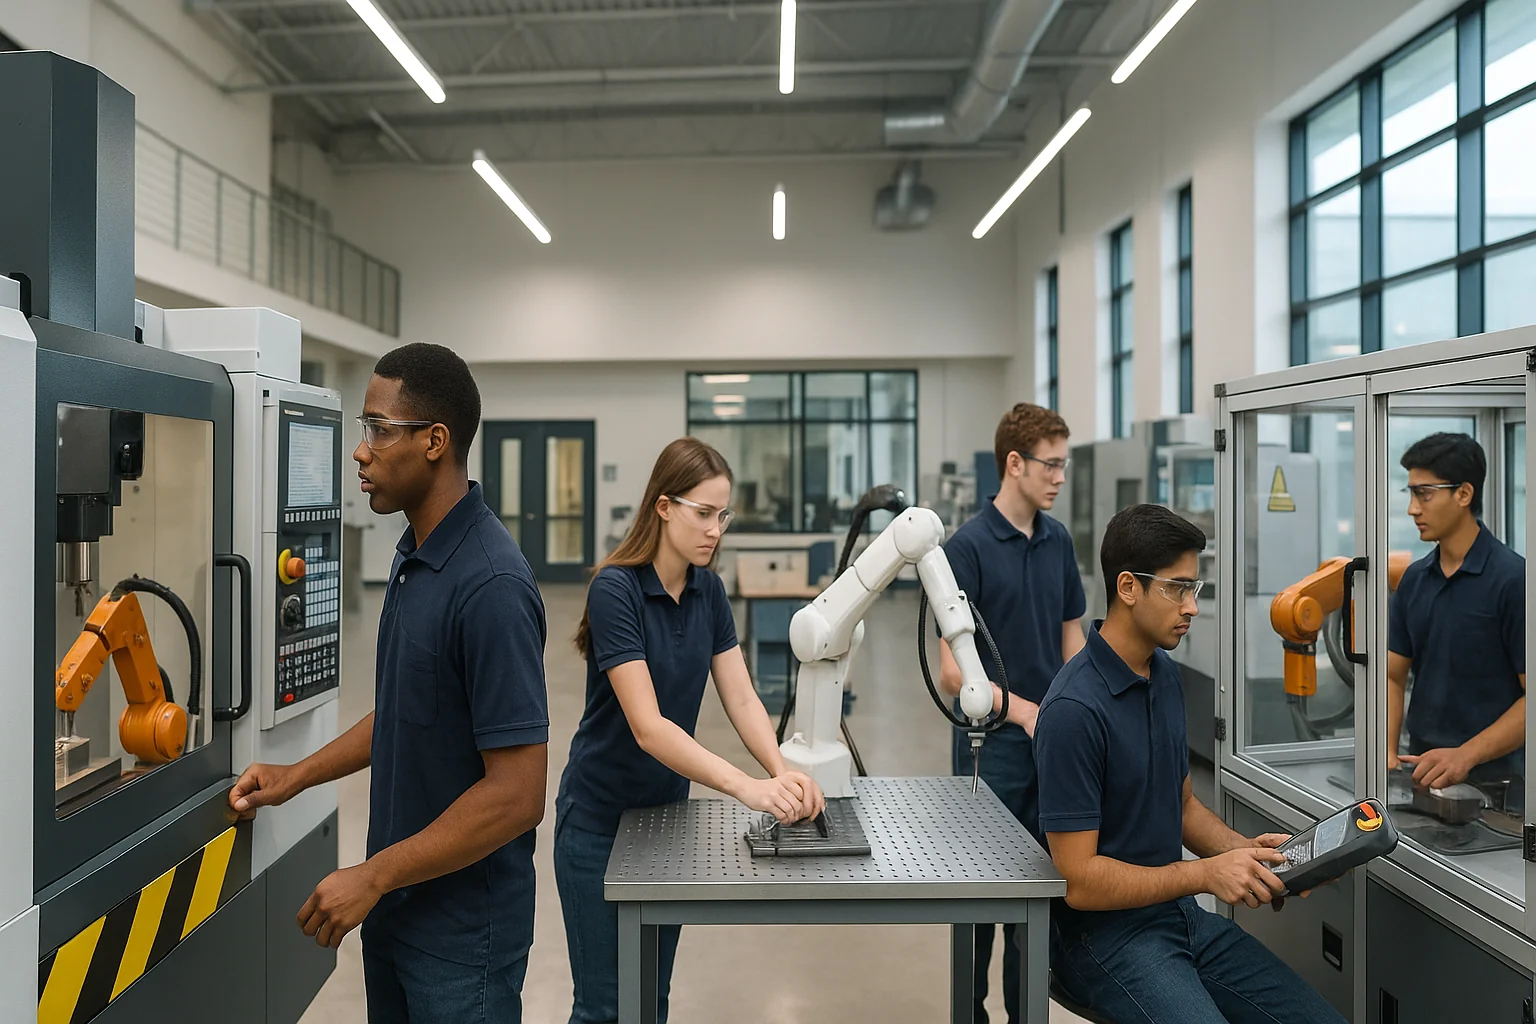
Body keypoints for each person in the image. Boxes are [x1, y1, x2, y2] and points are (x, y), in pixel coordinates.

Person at [229, 343, 550, 1024]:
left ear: (436, 442)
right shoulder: (415, 558)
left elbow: (517, 796)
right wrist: (296, 775)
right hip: (399, 911)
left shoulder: (492, 584)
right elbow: (408, 714)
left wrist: (370, 876)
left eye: (378, 429)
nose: (360, 452)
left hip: (463, 941)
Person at [1035, 504, 1346, 1024]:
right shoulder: (1074, 710)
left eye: (1193, 589)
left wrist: (1248, 854)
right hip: (1104, 938)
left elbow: (1179, 806)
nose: (1191, 607)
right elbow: (1080, 881)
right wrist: (1204, 874)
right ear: (1128, 587)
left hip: (1178, 917)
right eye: (1176, 588)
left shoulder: (1164, 675)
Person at [555, 437, 826, 1024]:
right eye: (703, 513)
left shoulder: (708, 590)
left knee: (650, 1003)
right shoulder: (615, 589)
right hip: (598, 826)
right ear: (664, 507)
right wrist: (746, 787)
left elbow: (741, 696)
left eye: (723, 515)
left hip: (663, 822)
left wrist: (784, 771)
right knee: (605, 1008)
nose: (715, 530)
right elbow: (649, 728)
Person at [936, 402, 1086, 1024]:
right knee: (979, 903)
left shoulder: (1058, 542)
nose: (1058, 477)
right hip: (990, 750)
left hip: (1047, 745)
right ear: (1014, 463)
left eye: (1064, 465)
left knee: (1040, 901)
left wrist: (1080, 711)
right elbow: (952, 671)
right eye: (1050, 465)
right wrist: (1022, 710)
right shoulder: (964, 548)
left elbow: (1071, 640)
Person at [1388, 432, 1525, 794]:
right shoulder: (1415, 579)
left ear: (1464, 494)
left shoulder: (1515, 580)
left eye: (1424, 494)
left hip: (1500, 788)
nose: (1413, 509)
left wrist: (1465, 755)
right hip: (1421, 775)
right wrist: (1385, 750)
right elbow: (1392, 677)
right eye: (1411, 494)